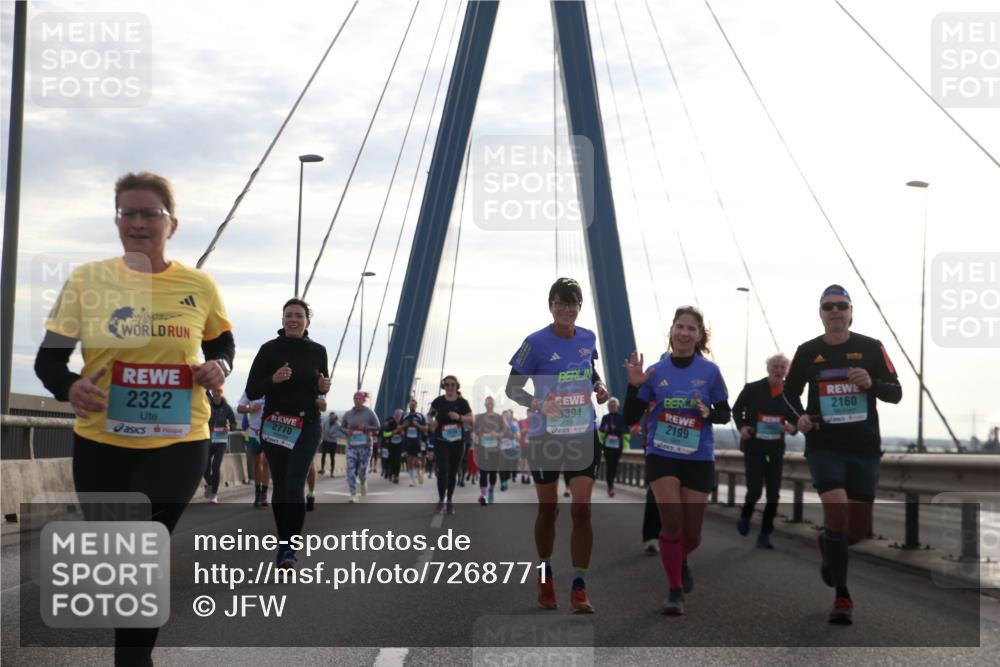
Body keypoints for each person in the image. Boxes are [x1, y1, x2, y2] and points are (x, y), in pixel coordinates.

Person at [34, 171, 234, 666]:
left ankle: (132, 661)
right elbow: (48, 361)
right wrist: (69, 386)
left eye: (150, 213)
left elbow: (222, 343)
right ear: (118, 221)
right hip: (101, 441)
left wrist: (220, 366)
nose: (138, 223)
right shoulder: (87, 281)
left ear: (172, 224)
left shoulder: (198, 285)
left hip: (180, 439)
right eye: (128, 213)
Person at [783, 285, 901, 625]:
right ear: (820, 313)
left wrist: (872, 384)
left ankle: (829, 545)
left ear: (851, 312)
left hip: (864, 447)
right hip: (824, 445)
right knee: (837, 508)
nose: (835, 311)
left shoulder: (872, 347)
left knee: (857, 531)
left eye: (841, 305)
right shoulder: (807, 352)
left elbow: (896, 392)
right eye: (828, 306)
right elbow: (788, 393)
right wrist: (799, 418)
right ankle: (842, 596)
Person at [505, 277, 609, 614]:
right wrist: (538, 404)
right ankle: (545, 575)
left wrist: (600, 387)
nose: (565, 309)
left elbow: (589, 370)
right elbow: (512, 389)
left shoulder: (588, 338)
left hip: (582, 432)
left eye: (571, 303)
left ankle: (579, 585)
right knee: (549, 511)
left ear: (579, 307)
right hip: (545, 436)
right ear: (551, 306)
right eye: (560, 303)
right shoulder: (534, 343)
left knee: (582, 509)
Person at [624, 305, 731, 616]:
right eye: (679, 327)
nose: (684, 332)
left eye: (691, 328)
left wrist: (708, 412)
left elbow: (725, 413)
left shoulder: (710, 372)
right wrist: (633, 386)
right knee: (671, 520)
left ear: (699, 336)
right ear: (671, 331)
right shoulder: (654, 372)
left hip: (698, 456)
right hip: (662, 454)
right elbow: (630, 417)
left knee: (691, 534)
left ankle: (681, 558)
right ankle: (674, 590)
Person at [245, 298, 330, 568]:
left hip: (307, 424)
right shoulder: (268, 350)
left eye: (298, 315)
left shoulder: (318, 351)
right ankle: (283, 544)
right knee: (281, 486)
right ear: (282, 320)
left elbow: (320, 392)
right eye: (288, 315)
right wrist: (273, 379)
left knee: (294, 484)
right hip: (276, 423)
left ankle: (290, 549)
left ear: (307, 321)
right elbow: (252, 390)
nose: (293, 319)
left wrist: (323, 388)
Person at [733, 353, 798, 548]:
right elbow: (736, 410)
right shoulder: (752, 388)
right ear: (768, 368)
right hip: (754, 447)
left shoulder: (789, 393)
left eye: (782, 367)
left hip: (774, 450)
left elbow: (797, 417)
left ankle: (765, 534)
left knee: (773, 495)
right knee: (754, 490)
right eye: (775, 366)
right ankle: (746, 515)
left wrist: (793, 428)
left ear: (786, 371)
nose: (778, 370)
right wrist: (742, 427)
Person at [429, 376, 473, 514]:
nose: (449, 387)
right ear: (444, 386)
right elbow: (430, 414)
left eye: (452, 384)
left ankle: (449, 501)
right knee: (443, 470)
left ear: (457, 386)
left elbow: (471, 419)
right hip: (441, 441)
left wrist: (459, 417)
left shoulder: (462, 403)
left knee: (453, 472)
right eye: (447, 384)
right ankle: (441, 500)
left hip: (457, 442)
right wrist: (432, 421)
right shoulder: (438, 401)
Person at [340, 391, 380, 503]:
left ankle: (363, 481)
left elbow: (377, 427)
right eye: (355, 399)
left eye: (359, 399)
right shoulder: (348, 414)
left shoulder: (369, 413)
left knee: (362, 471)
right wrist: (347, 431)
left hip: (365, 446)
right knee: (350, 470)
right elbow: (341, 427)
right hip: (352, 446)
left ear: (363, 400)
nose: (357, 401)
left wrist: (366, 427)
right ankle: (353, 494)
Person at [474, 397, 513, 505]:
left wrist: (498, 434)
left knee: (492, 473)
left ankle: (490, 490)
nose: (489, 404)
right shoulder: (480, 417)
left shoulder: (499, 417)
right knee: (483, 472)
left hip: (495, 449)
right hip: (482, 448)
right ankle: (484, 495)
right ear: (485, 404)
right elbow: (473, 431)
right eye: (488, 403)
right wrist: (475, 437)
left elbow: (506, 431)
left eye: (491, 402)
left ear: (494, 404)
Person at [203, 388, 237, 502]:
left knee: (215, 466)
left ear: (222, 393)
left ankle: (214, 494)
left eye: (219, 392)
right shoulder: (207, 405)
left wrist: (230, 428)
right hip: (208, 440)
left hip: (221, 441)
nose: (216, 394)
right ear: (212, 393)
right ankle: (210, 484)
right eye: (214, 392)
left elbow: (233, 423)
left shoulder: (227, 408)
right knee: (205, 467)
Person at [238, 391, 269, 507]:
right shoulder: (251, 389)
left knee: (266, 463)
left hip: (269, 431)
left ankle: (264, 493)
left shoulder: (271, 387)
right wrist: (250, 409)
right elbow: (239, 408)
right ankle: (257, 492)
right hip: (254, 432)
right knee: (257, 463)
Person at [598, 397, 627, 497]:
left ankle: (612, 481)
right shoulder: (605, 417)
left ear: (617, 406)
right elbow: (601, 428)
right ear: (608, 407)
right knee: (609, 465)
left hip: (618, 444)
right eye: (610, 405)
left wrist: (617, 429)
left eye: (614, 405)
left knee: (614, 465)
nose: (612, 407)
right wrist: (604, 428)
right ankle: (610, 486)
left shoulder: (621, 417)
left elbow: (626, 429)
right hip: (607, 444)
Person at [399, 399, 428, 486]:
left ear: (416, 406)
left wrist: (417, 425)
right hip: (407, 441)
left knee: (416, 461)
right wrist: (404, 427)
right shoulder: (405, 416)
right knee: (409, 460)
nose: (412, 406)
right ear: (409, 406)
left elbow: (425, 428)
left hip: (417, 441)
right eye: (411, 405)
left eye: (414, 405)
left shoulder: (420, 416)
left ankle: (419, 471)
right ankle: (413, 480)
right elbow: (399, 427)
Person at [319, 411, 339, 477]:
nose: (332, 417)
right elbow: (322, 429)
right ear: (329, 416)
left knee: (332, 457)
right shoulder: (326, 422)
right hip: (325, 441)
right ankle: (322, 469)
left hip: (333, 442)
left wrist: (333, 435)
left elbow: (339, 433)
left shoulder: (338, 424)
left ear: (335, 417)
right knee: (323, 454)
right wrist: (323, 436)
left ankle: (332, 472)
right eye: (331, 416)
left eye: (333, 416)